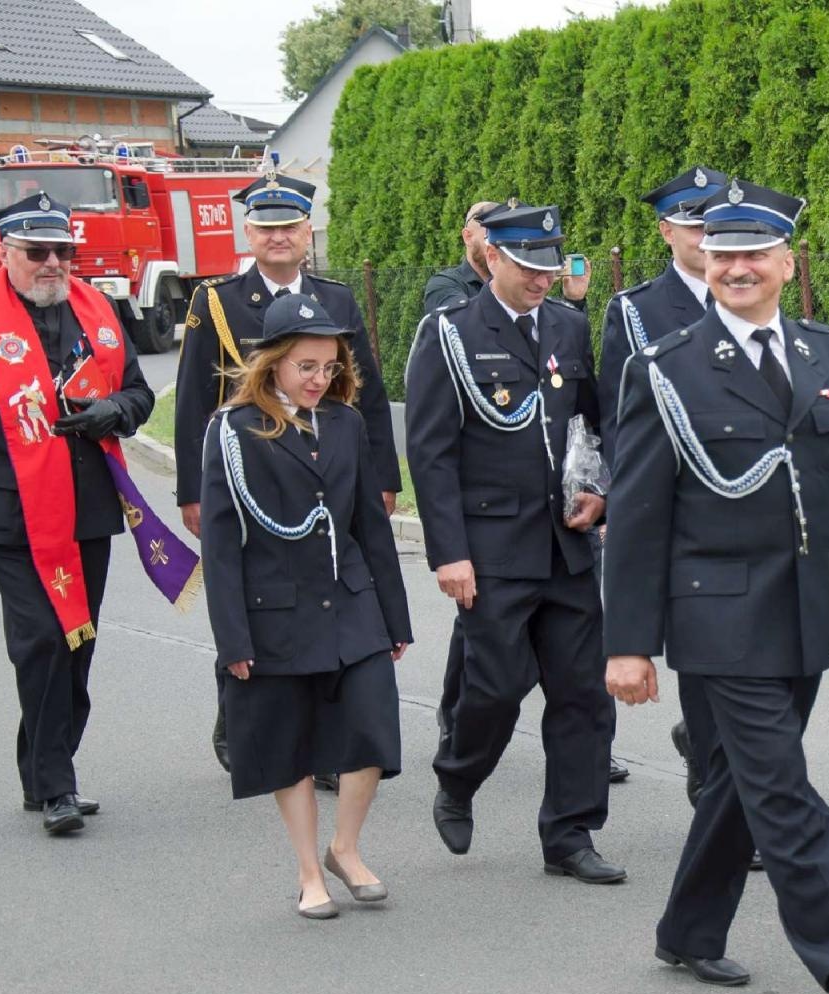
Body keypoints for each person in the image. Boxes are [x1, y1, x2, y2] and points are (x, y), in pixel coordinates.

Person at [603, 177, 829, 994]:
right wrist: (629, 642)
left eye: (754, 253)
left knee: (743, 783)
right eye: (722, 255)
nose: (737, 267)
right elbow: (639, 513)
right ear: (704, 262)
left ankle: (685, 928)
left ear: (789, 262)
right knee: (781, 785)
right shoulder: (667, 366)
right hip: (715, 615)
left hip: (805, 612)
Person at [405, 202, 624, 884]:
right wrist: (448, 552)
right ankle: (458, 777)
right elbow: (431, 451)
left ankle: (570, 831)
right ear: (492, 256)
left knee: (584, 692)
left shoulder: (566, 324)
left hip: (566, 542)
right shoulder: (450, 333)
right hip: (492, 545)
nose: (541, 280)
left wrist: (603, 491)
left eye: (549, 266)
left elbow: (592, 422)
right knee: (496, 685)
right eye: (528, 266)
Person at [175, 173, 400, 779]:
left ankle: (324, 741)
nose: (279, 237)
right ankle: (241, 704)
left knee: (322, 594)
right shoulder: (215, 302)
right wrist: (192, 492)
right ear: (248, 233)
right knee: (253, 591)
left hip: (326, 468)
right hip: (251, 478)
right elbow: (196, 397)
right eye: (266, 227)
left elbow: (366, 397)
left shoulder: (338, 299)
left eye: (290, 227)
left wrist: (382, 477)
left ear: (307, 233)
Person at [199, 293, 412, 919]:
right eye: (305, 367)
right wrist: (232, 639)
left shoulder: (346, 423)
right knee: (289, 744)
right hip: (276, 612)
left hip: (351, 605)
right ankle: (307, 871)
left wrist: (395, 618)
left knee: (374, 727)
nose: (319, 379)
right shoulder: (234, 431)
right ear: (272, 365)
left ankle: (346, 848)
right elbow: (220, 541)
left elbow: (371, 527)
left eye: (329, 366)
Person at [0, 193, 155, 833]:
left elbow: (139, 390)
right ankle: (57, 786)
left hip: (86, 505)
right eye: (37, 252)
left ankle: (41, 769)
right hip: (7, 510)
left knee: (79, 642)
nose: (53, 263)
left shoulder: (95, 310)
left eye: (63, 251)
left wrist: (118, 413)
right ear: (3, 252)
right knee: (45, 639)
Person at [598, 164, 727, 804]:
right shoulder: (639, 310)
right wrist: (633, 499)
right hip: (676, 505)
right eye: (693, 225)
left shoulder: (750, 293)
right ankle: (711, 779)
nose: (706, 238)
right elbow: (618, 417)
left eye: (715, 224)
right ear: (666, 231)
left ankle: (706, 743)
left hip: (747, 503)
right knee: (702, 648)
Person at [422, 200, 500, 314]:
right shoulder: (444, 284)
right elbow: (461, 323)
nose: (499, 243)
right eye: (491, 234)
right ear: (468, 237)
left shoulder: (519, 281)